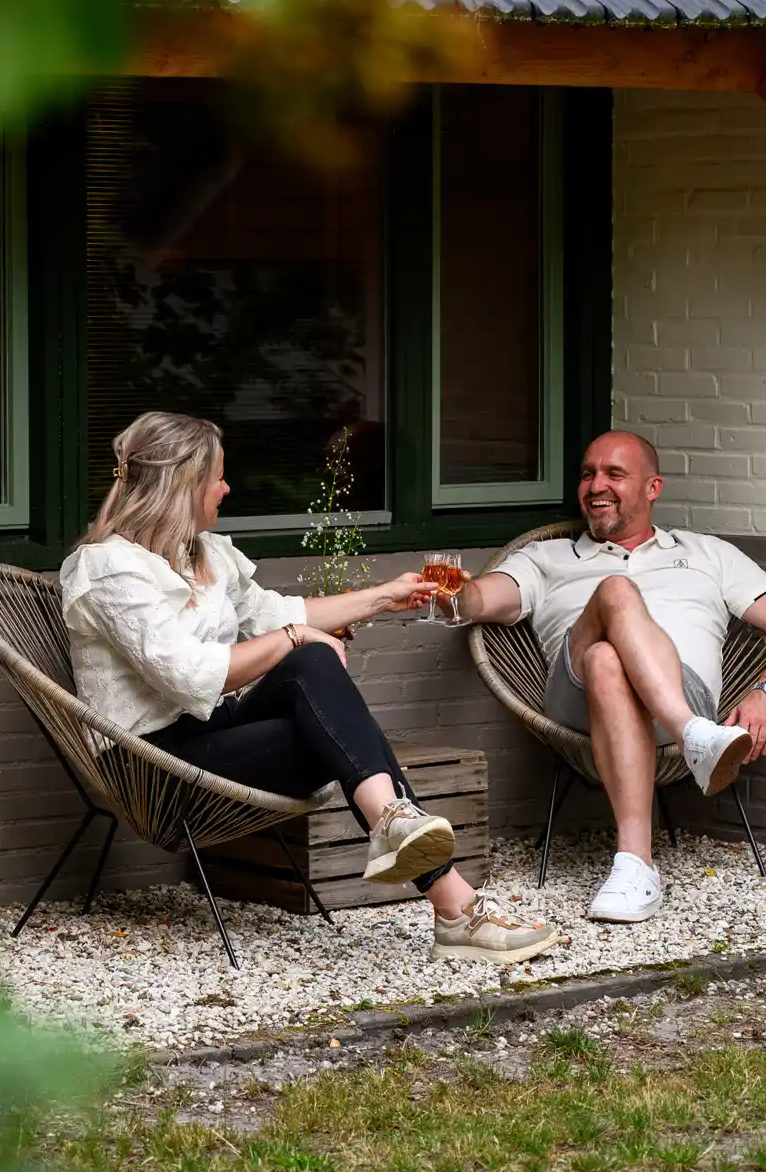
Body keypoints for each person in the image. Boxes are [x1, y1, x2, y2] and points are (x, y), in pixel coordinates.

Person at [59, 411, 559, 965]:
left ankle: (404, 835)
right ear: (183, 484)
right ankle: (448, 898)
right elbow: (192, 675)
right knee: (331, 706)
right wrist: (297, 639)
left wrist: (383, 597)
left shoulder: (203, 555)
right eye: (218, 477)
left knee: (320, 682)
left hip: (214, 733)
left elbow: (281, 614)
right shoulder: (108, 571)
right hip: (151, 759)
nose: (227, 487)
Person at [453, 431, 766, 925]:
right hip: (576, 700)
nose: (595, 485)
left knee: (610, 659)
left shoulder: (709, 554)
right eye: (587, 473)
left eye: (614, 474)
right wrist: (451, 593)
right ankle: (696, 737)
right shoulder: (547, 558)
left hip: (681, 689)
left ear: (653, 488)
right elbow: (479, 600)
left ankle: (635, 869)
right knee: (615, 592)